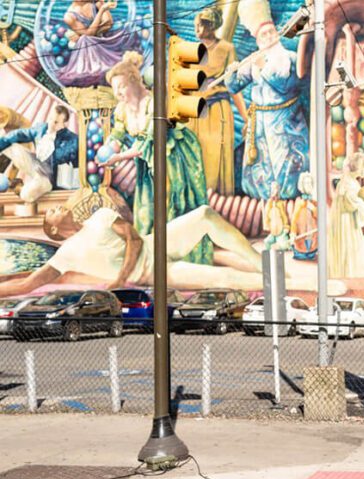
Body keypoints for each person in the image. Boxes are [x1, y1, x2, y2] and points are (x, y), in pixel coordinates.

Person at [0, 204, 334, 298]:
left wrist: (119, 277)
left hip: (155, 243)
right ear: (53, 228)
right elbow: (28, 284)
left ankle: (266, 264)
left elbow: (133, 239)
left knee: (205, 215)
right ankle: (313, 285)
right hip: (155, 272)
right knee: (227, 279)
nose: (59, 208)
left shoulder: (99, 216)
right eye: (53, 213)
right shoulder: (63, 255)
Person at [101, 51, 212, 265]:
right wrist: (109, 147)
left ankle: (185, 259)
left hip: (173, 159)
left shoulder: (154, 104)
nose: (118, 93)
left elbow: (146, 143)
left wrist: (117, 158)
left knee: (174, 205)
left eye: (122, 86)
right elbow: (118, 134)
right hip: (148, 166)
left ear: (135, 82)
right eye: (115, 89)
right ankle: (155, 260)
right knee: (146, 210)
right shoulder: (122, 110)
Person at [225, 0, 310, 210]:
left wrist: (264, 70)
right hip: (261, 122)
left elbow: (287, 86)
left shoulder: (288, 58)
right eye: (264, 35)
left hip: (286, 120)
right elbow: (234, 87)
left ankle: (290, 205)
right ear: (258, 40)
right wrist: (232, 72)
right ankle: (268, 209)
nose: (269, 37)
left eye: (271, 33)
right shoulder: (255, 60)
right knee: (262, 167)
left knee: (286, 165)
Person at [188, 7, 247, 196]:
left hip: (217, 112)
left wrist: (247, 118)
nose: (197, 30)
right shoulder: (190, 50)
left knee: (216, 157)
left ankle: (217, 201)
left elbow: (234, 87)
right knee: (194, 156)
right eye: (195, 26)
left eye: (201, 26)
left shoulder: (227, 49)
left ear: (211, 26)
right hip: (194, 112)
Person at [0, 104, 78, 203]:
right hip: (34, 165)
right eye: (50, 119)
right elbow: (20, 134)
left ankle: (24, 187)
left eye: (55, 122)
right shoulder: (41, 129)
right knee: (12, 146)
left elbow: (78, 165)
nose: (50, 124)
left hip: (48, 178)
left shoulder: (72, 140)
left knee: (26, 195)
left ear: (64, 124)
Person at [59, 1, 148, 87]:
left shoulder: (96, 2)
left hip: (105, 37)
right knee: (85, 40)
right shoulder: (69, 16)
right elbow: (88, 35)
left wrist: (94, 33)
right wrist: (101, 11)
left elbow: (108, 23)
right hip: (91, 45)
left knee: (128, 29)